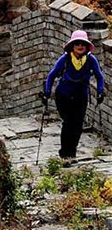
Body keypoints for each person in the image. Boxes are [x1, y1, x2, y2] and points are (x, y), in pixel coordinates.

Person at [41, 30, 105, 162]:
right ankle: (65, 153)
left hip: (80, 96)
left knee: (78, 124)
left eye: (83, 44)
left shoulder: (91, 60)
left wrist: (100, 91)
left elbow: (99, 76)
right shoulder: (65, 59)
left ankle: (72, 153)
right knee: (68, 122)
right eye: (77, 44)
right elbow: (52, 75)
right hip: (63, 95)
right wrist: (47, 92)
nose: (80, 46)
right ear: (72, 46)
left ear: (87, 46)